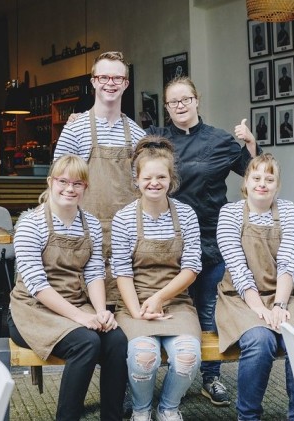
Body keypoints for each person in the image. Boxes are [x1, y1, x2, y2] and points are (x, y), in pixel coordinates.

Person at [145, 76, 259, 407]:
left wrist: (250, 143)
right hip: (168, 237)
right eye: (173, 102)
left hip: (211, 236)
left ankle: (211, 376)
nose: (180, 106)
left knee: (209, 309)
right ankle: (154, 378)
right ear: (166, 108)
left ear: (197, 100)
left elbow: (252, 174)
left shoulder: (220, 140)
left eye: (185, 99)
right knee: (165, 305)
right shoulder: (158, 141)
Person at [8, 155, 127, 421]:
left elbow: (95, 271)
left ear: (85, 188)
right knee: (86, 342)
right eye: (63, 181)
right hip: (33, 310)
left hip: (76, 304)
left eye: (77, 183)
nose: (69, 189)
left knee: (117, 340)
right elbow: (37, 285)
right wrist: (81, 317)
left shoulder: (91, 224)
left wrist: (100, 312)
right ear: (50, 182)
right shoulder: (30, 223)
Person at [215, 153, 294, 421]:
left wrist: (280, 305)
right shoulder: (231, 213)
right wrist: (260, 309)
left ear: (277, 186)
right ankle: (247, 416)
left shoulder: (288, 210)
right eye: (256, 177)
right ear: (245, 182)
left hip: (282, 292)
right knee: (260, 341)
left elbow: (288, 263)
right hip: (240, 296)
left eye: (270, 179)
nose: (262, 184)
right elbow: (237, 268)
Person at [111, 136, 202, 421]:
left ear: (171, 178)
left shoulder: (186, 214)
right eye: (147, 177)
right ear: (136, 179)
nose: (154, 183)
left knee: (188, 357)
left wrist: (160, 298)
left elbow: (191, 268)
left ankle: (168, 408)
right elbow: (122, 271)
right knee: (143, 357)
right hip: (133, 303)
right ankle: (141, 411)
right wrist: (139, 309)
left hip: (176, 303)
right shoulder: (123, 218)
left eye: (161, 176)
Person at [54, 51, 146, 307]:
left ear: (126, 84)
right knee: (83, 303)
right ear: (93, 81)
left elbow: (146, 185)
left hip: (125, 235)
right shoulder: (75, 128)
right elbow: (57, 181)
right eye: (104, 77)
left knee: (121, 305)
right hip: (83, 231)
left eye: (117, 78)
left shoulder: (138, 134)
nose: (110, 83)